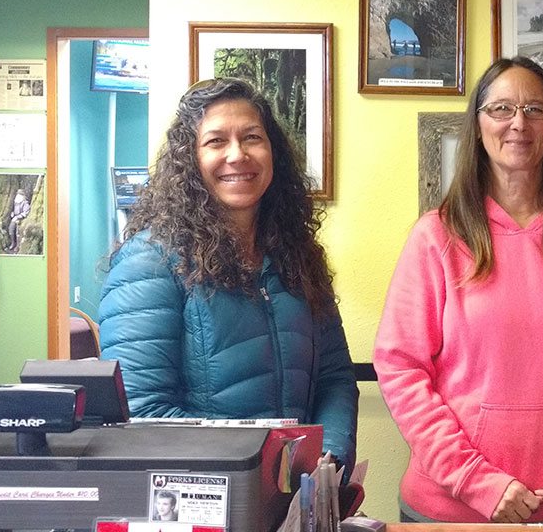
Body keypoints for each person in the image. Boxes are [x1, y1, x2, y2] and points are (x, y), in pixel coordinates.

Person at [374, 57, 543, 524]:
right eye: (501, 109)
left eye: (536, 109)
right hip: (452, 510)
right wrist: (474, 479)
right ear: (477, 126)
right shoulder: (437, 236)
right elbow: (401, 369)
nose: (519, 122)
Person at [98, 78, 357, 473]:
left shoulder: (297, 255)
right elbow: (142, 411)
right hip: (204, 498)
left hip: (294, 492)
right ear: (189, 159)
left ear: (274, 152)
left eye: (252, 137)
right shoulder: (149, 260)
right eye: (216, 141)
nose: (237, 155)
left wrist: (329, 458)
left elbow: (334, 377)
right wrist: (265, 467)